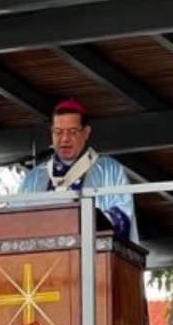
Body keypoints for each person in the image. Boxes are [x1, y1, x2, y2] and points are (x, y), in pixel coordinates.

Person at [17, 98, 137, 242]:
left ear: (86, 132)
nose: (64, 139)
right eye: (58, 132)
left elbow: (122, 216)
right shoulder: (35, 177)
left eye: (72, 132)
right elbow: (15, 220)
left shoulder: (108, 169)